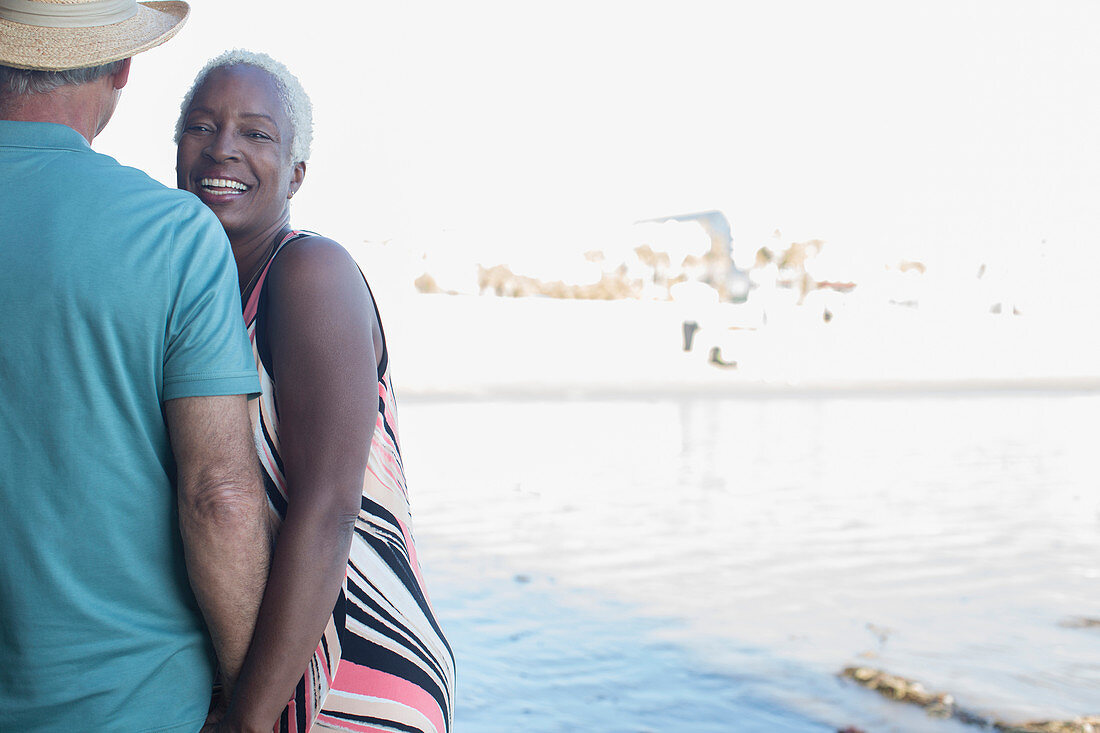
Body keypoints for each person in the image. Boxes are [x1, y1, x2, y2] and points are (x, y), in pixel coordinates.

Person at [0, 2, 272, 732]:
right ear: (123, 66)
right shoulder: (174, 235)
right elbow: (219, 494)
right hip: (129, 705)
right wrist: (250, 704)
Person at [175, 50, 456, 733]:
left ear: (296, 172)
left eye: (256, 133)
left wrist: (248, 720)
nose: (223, 148)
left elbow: (329, 512)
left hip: (352, 665)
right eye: (202, 126)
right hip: (268, 665)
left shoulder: (309, 273)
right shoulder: (198, 293)